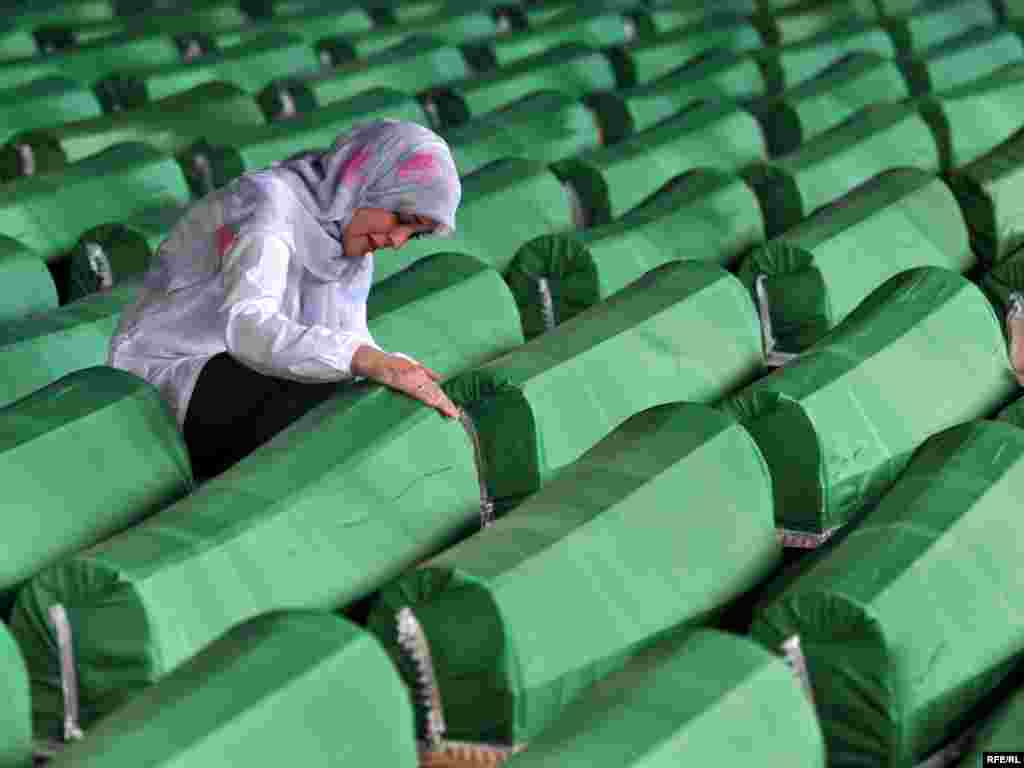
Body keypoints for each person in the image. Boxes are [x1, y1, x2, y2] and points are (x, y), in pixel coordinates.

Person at [109, 120, 462, 482]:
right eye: (401, 219)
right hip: (168, 377)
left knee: (366, 395)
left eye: (413, 235)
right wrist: (368, 361)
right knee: (320, 409)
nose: (397, 241)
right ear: (366, 182)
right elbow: (248, 327)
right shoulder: (269, 205)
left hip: (246, 374)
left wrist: (392, 366)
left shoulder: (350, 245)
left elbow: (347, 338)